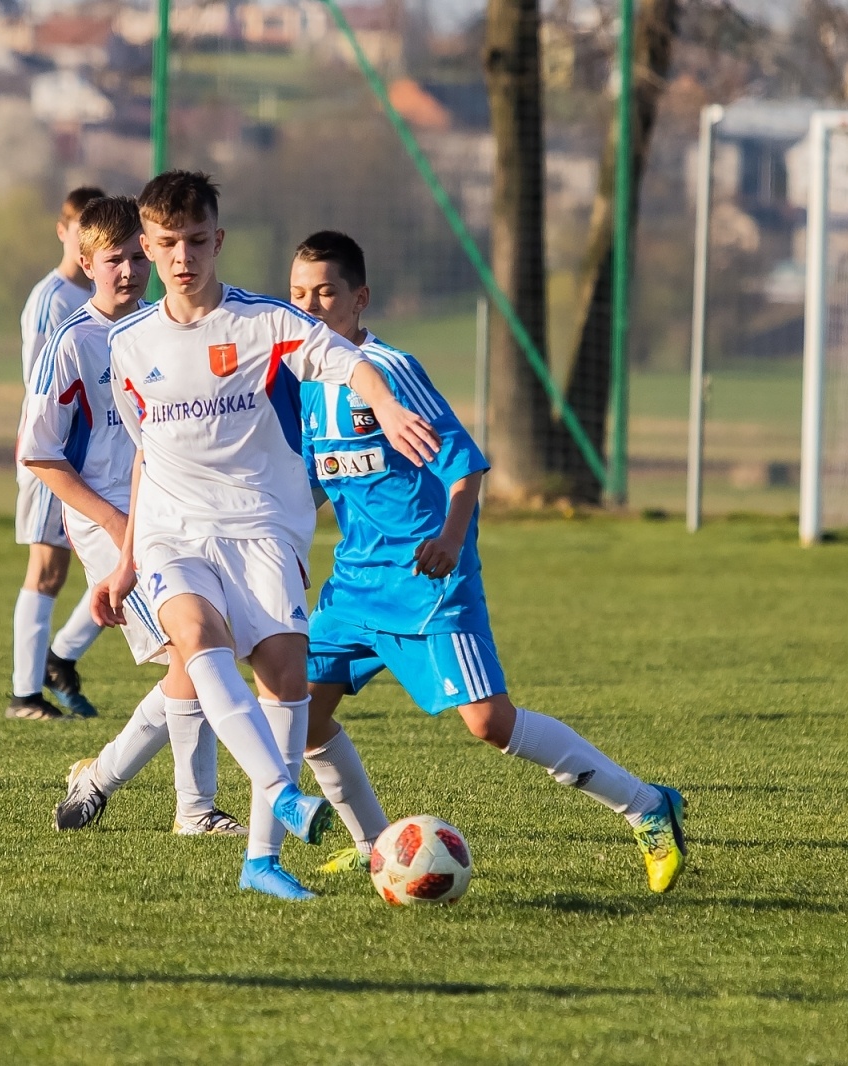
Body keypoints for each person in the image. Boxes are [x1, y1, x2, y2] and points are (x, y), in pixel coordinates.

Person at [288, 231, 688, 892]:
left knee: (490, 724)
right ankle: (372, 846)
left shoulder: (390, 371)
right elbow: (314, 487)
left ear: (359, 299)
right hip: (354, 587)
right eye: (299, 294)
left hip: (428, 581)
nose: (311, 307)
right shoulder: (305, 386)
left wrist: (449, 539)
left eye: (326, 293)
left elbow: (464, 463)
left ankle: (647, 807)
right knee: (302, 715)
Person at [92, 172, 440, 901]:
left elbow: (354, 366)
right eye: (166, 244)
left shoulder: (267, 324)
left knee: (284, 674)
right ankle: (281, 791)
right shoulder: (126, 344)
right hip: (173, 531)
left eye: (195, 241)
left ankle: (261, 862)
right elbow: (146, 453)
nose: (181, 257)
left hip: (261, 528)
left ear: (217, 241)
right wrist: (127, 559)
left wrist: (390, 408)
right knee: (193, 633)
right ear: (147, 248)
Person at [21, 195, 243, 836]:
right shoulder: (72, 343)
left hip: (175, 515)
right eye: (111, 260)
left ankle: (100, 779)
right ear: (87, 262)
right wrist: (119, 530)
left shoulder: (160, 331)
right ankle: (193, 810)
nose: (127, 272)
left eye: (133, 258)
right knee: (194, 650)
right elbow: (38, 453)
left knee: (201, 653)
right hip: (108, 524)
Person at [10, 187, 108, 720]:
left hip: (98, 456)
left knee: (117, 562)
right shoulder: (53, 300)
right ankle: (26, 693)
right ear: (63, 231)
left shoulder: (104, 297)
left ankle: (60, 657)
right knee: (46, 567)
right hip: (58, 455)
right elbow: (43, 386)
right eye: (79, 229)